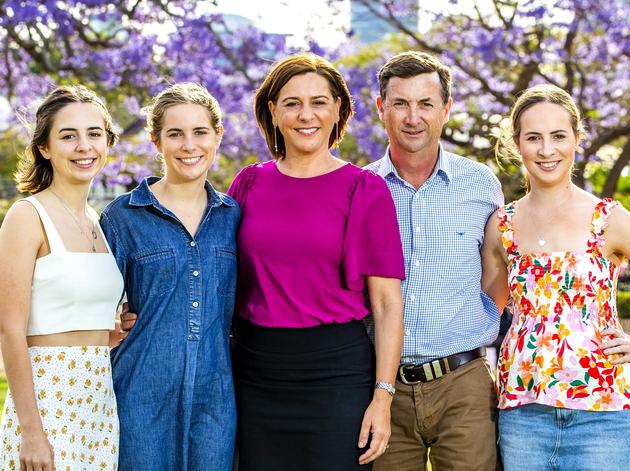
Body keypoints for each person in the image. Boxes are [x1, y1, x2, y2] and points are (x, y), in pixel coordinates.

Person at [227, 53, 405, 471]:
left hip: (336, 376)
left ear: (339, 109)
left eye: (319, 102)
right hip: (254, 373)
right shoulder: (248, 183)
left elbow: (386, 304)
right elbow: (219, 273)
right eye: (291, 103)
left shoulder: (366, 189)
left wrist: (382, 397)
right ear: (273, 112)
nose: (306, 115)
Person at [481, 84, 630, 470]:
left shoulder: (608, 219)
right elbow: (485, 313)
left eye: (558, 136)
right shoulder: (501, 226)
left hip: (604, 417)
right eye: (533, 137)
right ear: (516, 143)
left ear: (576, 139)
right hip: (523, 417)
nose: (546, 149)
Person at [366, 51, 504, 471]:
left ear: (445, 109)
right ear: (381, 108)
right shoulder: (361, 188)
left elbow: (495, 270)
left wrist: (475, 319)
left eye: (426, 104)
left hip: (464, 385)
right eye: (400, 103)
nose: (413, 117)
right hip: (380, 388)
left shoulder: (481, 183)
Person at [99, 83, 239, 470]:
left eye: (200, 132)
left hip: (215, 401)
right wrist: (110, 322)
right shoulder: (123, 217)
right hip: (141, 397)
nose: (188, 145)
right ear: (156, 141)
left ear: (217, 135)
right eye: (175, 134)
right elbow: (93, 302)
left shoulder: (233, 218)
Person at [0, 85, 124, 471]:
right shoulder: (27, 215)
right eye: (68, 136)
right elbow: (8, 329)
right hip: (47, 401)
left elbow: (76, 316)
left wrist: (112, 331)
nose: (83, 146)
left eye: (94, 134)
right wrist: (31, 431)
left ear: (107, 142)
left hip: (99, 403)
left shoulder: (101, 224)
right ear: (45, 148)